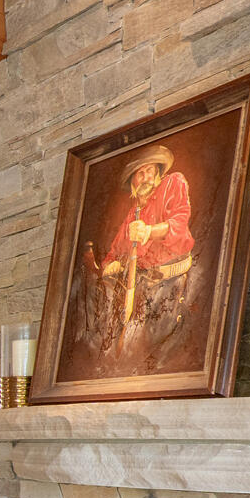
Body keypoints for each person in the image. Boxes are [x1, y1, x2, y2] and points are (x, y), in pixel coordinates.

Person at [82, 144, 195, 347]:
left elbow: (179, 220)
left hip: (172, 281)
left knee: (161, 342)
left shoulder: (173, 182)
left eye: (150, 170)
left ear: (158, 172)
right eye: (140, 173)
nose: (146, 177)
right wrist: (111, 264)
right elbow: (115, 251)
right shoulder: (132, 215)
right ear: (132, 181)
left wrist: (149, 231)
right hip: (142, 288)